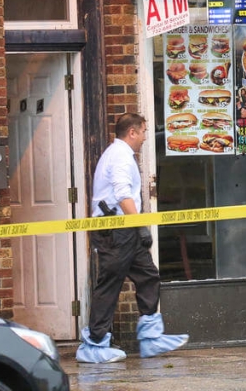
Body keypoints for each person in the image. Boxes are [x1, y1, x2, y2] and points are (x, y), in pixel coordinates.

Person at [76, 113, 188, 363]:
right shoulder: (120, 157)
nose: (147, 137)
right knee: (110, 284)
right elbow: (122, 193)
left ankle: (150, 338)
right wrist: (139, 226)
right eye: (144, 131)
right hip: (117, 229)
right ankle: (94, 344)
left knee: (148, 275)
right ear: (132, 133)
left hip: (123, 229)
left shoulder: (121, 155)